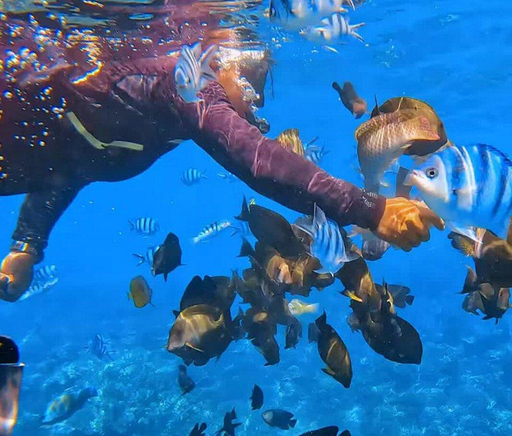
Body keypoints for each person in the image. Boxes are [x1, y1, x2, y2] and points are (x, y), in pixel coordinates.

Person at [0, 7, 443, 302]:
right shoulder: (184, 83)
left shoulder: (167, 117)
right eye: (256, 73)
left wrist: (27, 245)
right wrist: (371, 208)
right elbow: (253, 158)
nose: (259, 98)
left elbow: (72, 162)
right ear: (222, 60)